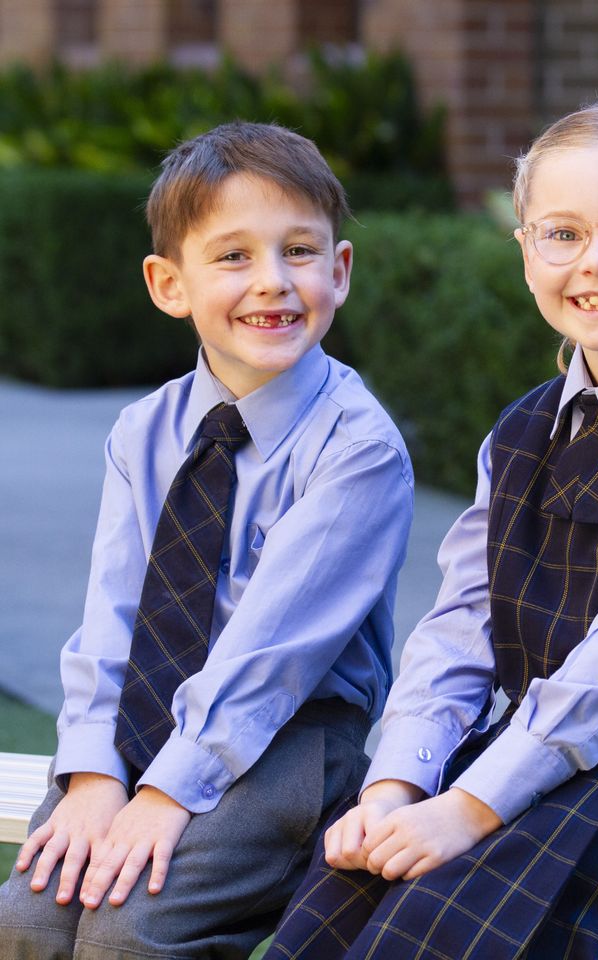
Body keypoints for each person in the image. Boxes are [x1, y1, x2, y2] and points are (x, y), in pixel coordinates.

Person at [263, 96, 598, 960]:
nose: (596, 261)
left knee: (432, 929)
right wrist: (398, 781)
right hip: (540, 752)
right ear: (527, 251)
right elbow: (460, 627)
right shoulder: (521, 432)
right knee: (340, 901)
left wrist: (469, 806)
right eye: (561, 234)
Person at [0, 121, 413, 959]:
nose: (273, 282)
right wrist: (92, 773)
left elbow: (270, 660)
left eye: (300, 252)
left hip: (288, 743)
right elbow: (112, 617)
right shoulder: (143, 432)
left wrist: (165, 796)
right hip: (147, 720)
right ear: (169, 284)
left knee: (131, 929)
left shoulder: (357, 449)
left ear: (339, 271)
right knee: (28, 919)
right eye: (233, 257)